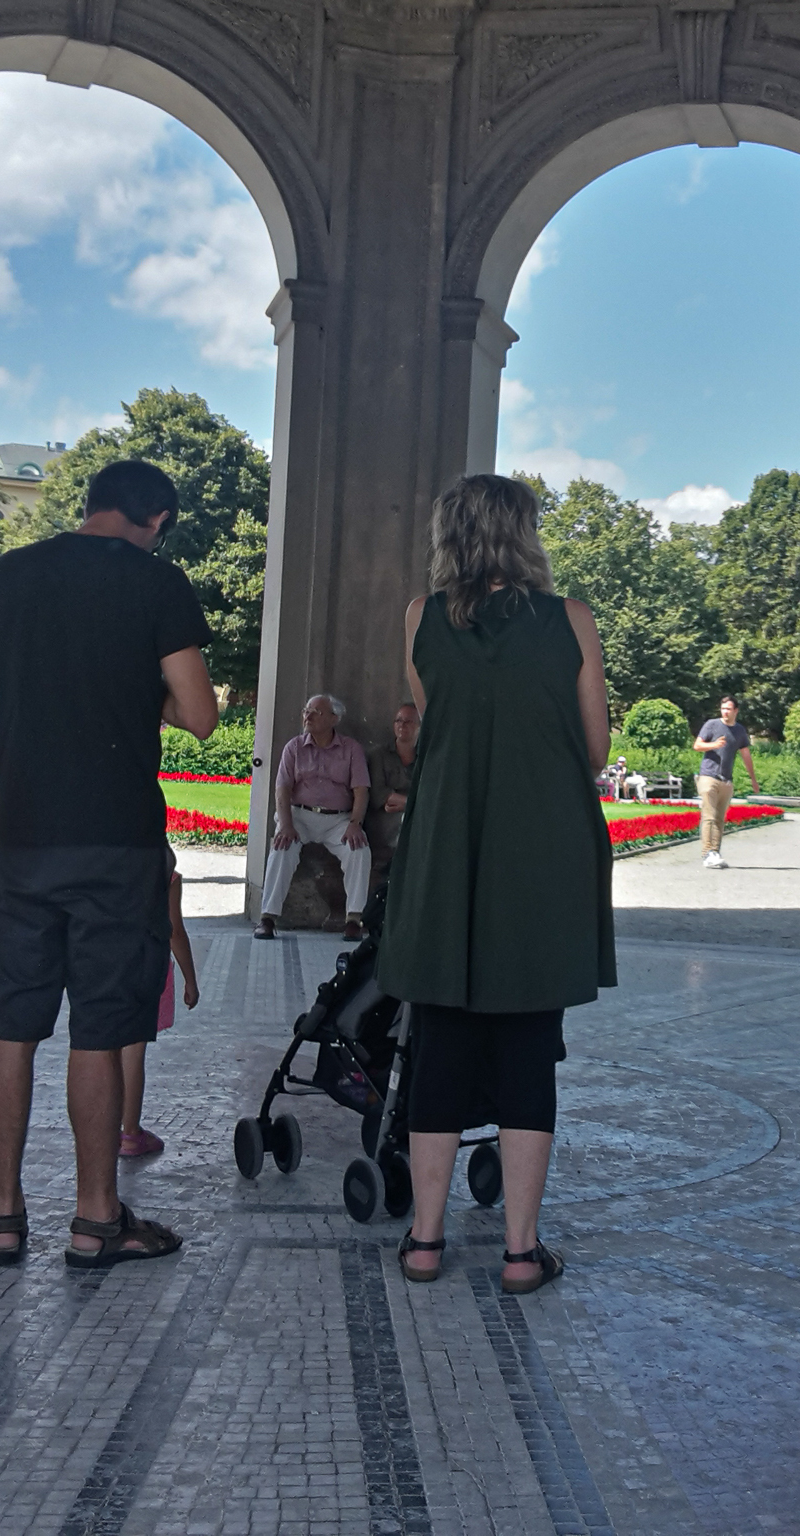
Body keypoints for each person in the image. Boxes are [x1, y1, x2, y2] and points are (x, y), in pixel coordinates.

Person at [0, 458, 219, 1270]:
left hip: (24, 836)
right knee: (101, 1030)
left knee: (13, 1023)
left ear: (92, 504)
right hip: (116, 841)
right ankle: (96, 1221)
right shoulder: (157, 581)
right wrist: (138, 692)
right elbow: (201, 715)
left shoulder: (10, 574)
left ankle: (3, 1217)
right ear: (157, 519)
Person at [377, 473, 615, 1297]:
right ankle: (520, 1251)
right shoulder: (571, 619)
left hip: (448, 849)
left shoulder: (421, 617)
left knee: (439, 1041)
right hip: (541, 855)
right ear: (524, 533)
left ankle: (424, 1241)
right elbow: (593, 749)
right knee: (527, 1049)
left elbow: (437, 726)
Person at [254, 694, 372, 941]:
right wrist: (286, 824)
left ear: (334, 718)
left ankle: (354, 919)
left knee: (359, 850)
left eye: (316, 712)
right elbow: (282, 789)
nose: (308, 715)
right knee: (282, 847)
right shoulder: (294, 747)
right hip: (299, 815)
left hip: (338, 819)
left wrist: (355, 824)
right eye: (306, 710)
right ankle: (267, 918)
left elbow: (361, 790)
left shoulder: (351, 749)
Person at [120, 854, 198, 1159]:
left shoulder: (105, 860)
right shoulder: (165, 872)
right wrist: (190, 979)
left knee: (102, 1049)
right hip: (145, 966)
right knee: (132, 1051)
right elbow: (174, 931)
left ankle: (100, 1128)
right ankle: (130, 1133)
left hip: (103, 962)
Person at [692, 696, 759, 869]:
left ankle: (715, 852)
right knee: (709, 816)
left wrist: (753, 779)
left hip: (726, 780)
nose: (725, 712)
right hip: (708, 776)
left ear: (736, 711)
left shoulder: (739, 731)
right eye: (723, 708)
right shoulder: (712, 725)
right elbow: (697, 746)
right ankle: (707, 853)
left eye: (728, 709)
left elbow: (745, 755)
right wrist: (714, 745)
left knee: (719, 819)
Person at [366, 702, 420, 887]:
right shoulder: (378, 755)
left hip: (417, 818)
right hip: (386, 821)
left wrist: (407, 804)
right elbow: (379, 794)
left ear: (419, 726)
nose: (402, 725)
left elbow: (431, 794)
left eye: (408, 721)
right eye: (398, 720)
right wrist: (414, 803)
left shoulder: (427, 757)